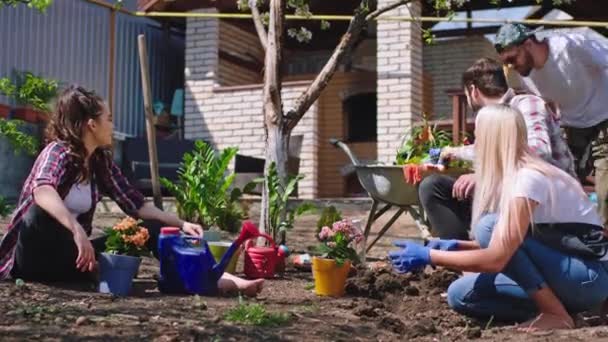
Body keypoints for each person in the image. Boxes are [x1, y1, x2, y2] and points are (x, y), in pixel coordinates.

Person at [0, 85, 263, 296]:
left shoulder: (99, 162)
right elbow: (42, 190)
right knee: (37, 215)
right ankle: (94, 270)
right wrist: (76, 229)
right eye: (109, 119)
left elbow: (137, 205)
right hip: (32, 261)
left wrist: (182, 223)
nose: (112, 126)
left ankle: (213, 277)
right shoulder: (57, 152)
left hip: (74, 260)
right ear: (91, 124)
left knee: (149, 225)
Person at [391, 104, 608, 331]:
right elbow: (521, 243)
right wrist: (457, 245)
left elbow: (498, 257)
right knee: (461, 294)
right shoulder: (520, 176)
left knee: (488, 226)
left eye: (479, 136)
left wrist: (429, 255)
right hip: (576, 275)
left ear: (491, 140)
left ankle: (554, 314)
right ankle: (570, 311)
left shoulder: (529, 178)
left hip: (589, 277)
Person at [418, 58, 575, 240]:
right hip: (511, 193)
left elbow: (539, 151)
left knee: (473, 196)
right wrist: (449, 152)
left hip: (547, 202)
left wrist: (486, 177)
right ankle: (460, 256)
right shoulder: (488, 118)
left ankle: (486, 252)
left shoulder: (527, 104)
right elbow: (484, 149)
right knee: (433, 186)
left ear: (473, 90)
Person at [494, 23, 608, 225]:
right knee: (560, 182)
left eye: (512, 58)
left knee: (605, 192)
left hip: (604, 118)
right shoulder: (526, 76)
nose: (511, 66)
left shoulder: (571, 46)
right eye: (506, 62)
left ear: (528, 44)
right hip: (573, 127)